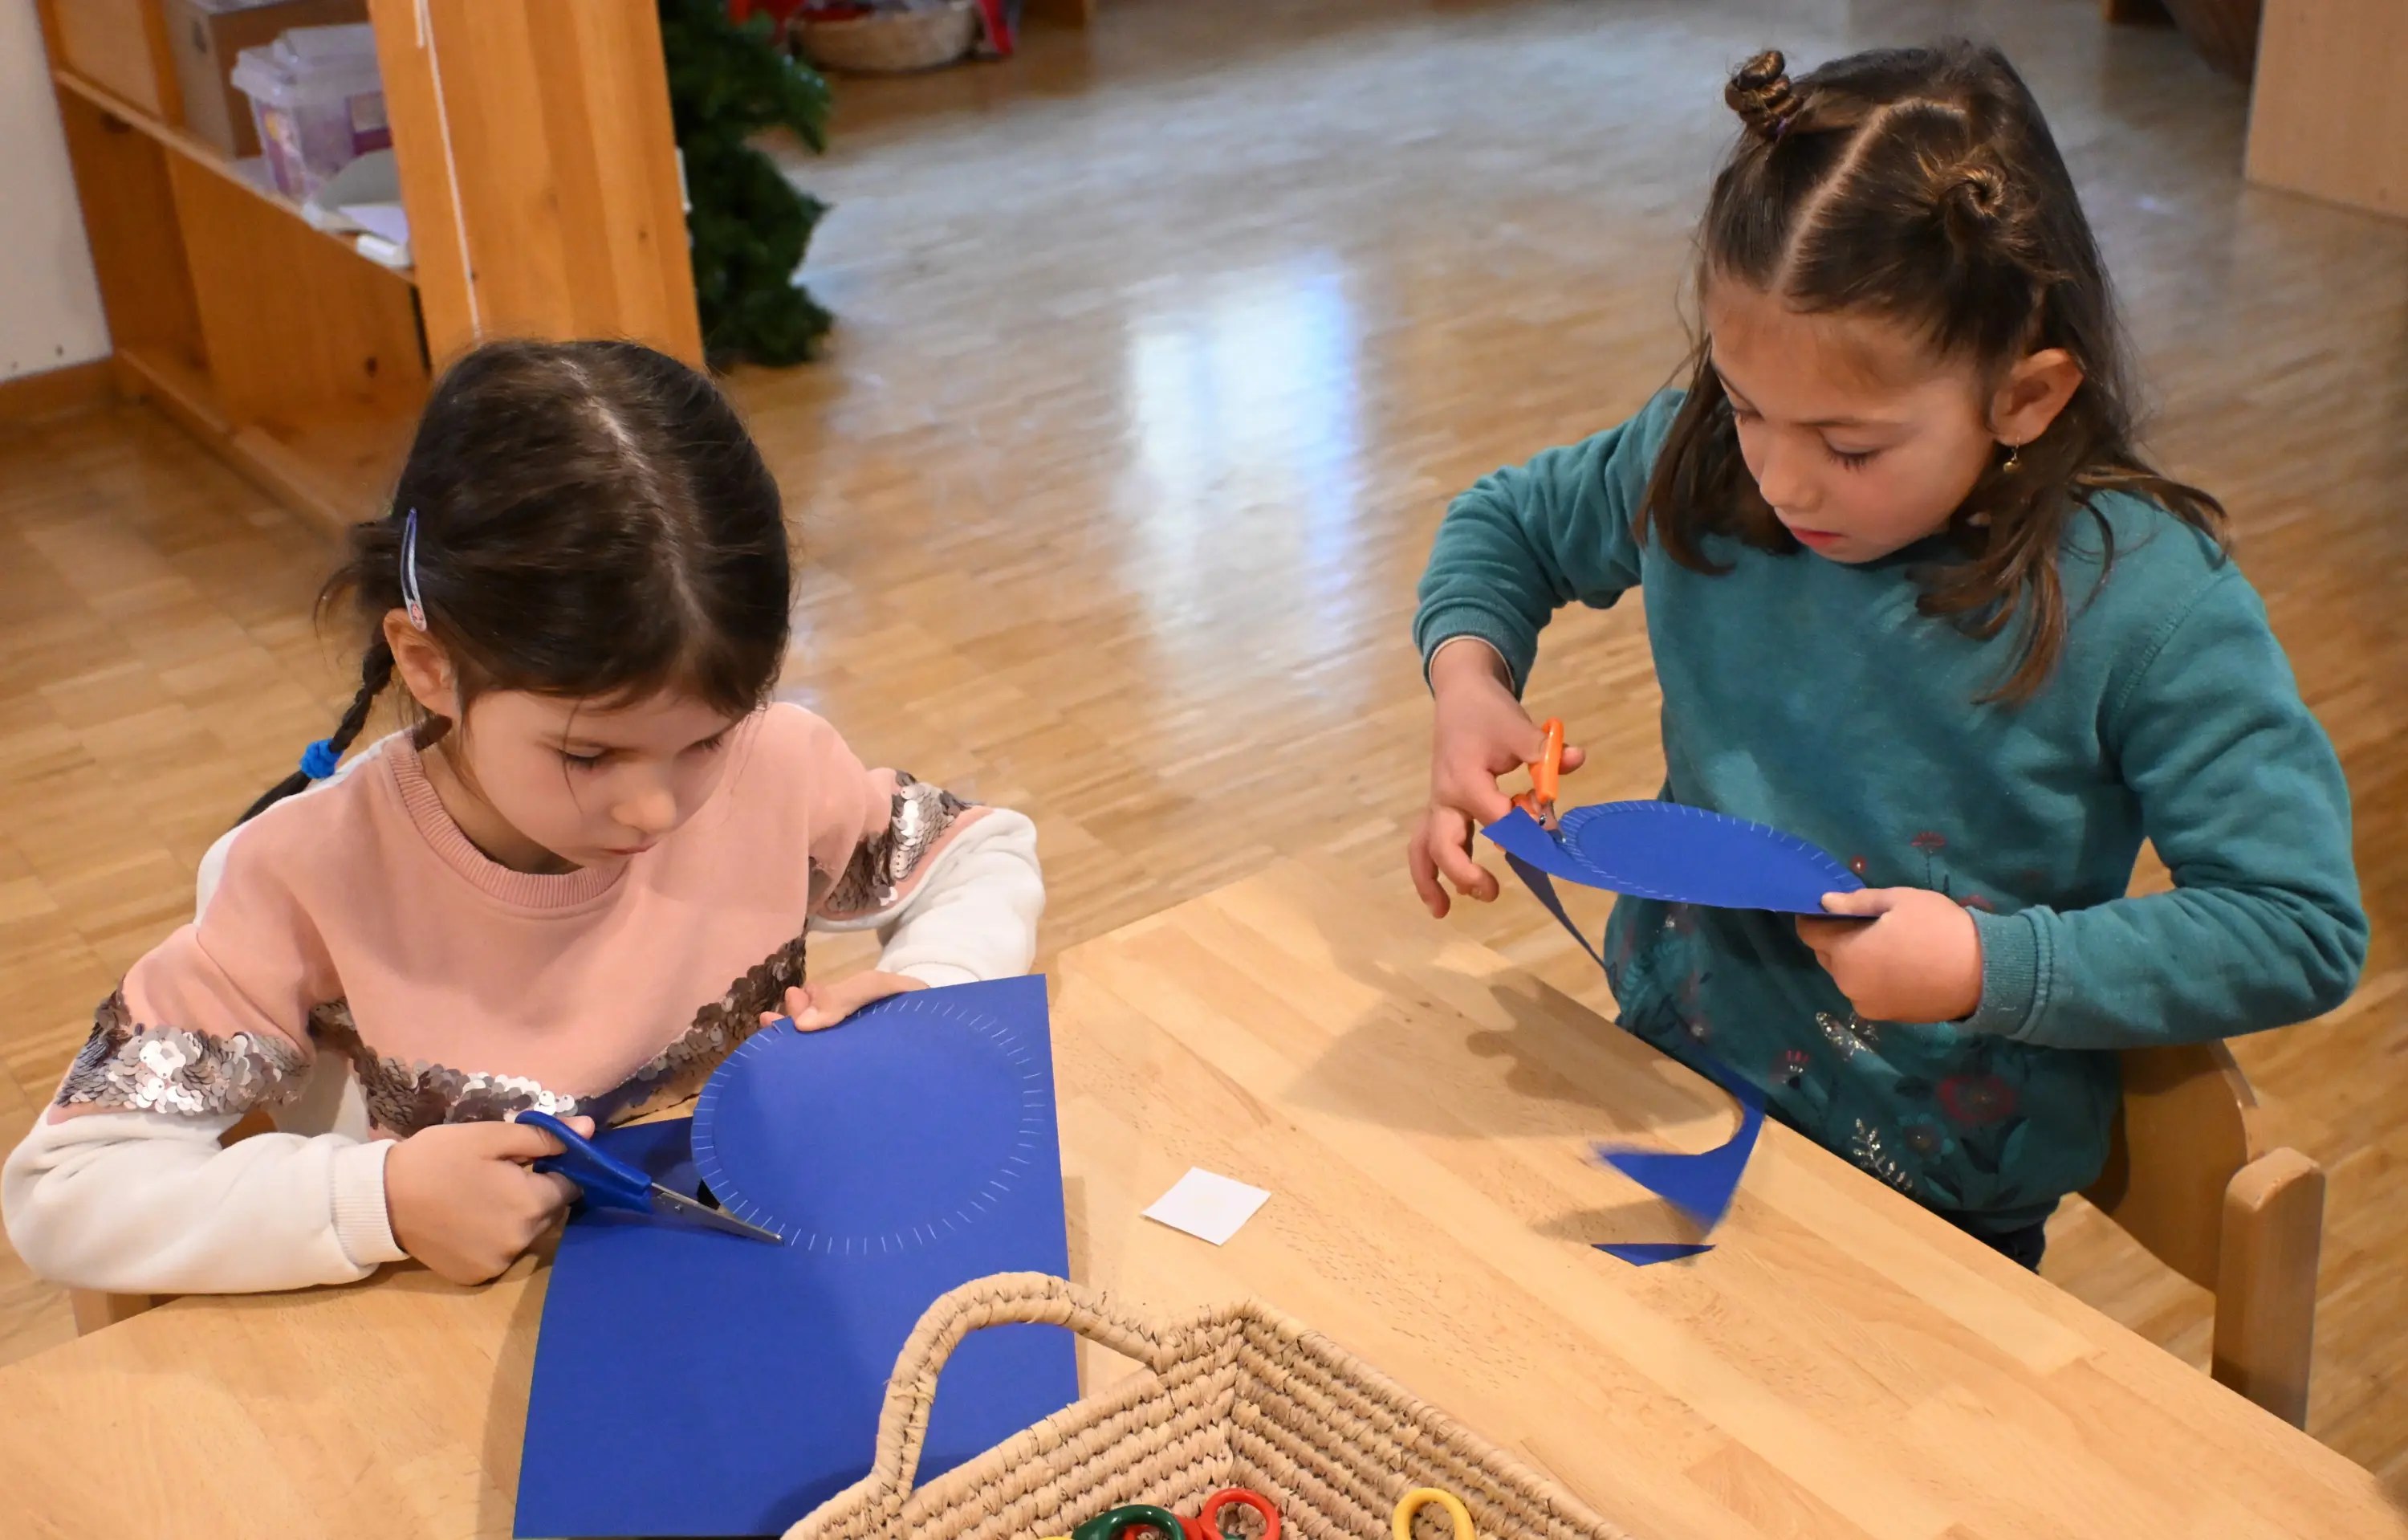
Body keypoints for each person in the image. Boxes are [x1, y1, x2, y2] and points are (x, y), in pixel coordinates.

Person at [1408, 44, 2365, 1268]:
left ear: (2026, 396)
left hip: (1933, 1203)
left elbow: (2296, 924)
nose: (1779, 473)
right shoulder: (1701, 454)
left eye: (1850, 446)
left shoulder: (2148, 608)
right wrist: (1470, 682)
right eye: (1745, 400)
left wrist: (1985, 963)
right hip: (1666, 1070)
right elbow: (1508, 526)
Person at [4, 340, 1042, 1292]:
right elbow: (66, 1188)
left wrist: (928, 1000)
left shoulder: (776, 766)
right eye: (589, 753)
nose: (655, 805)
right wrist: (378, 1202)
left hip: (762, 1289)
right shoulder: (309, 877)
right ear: (430, 664)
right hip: (455, 1365)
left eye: (707, 736)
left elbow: (982, 851)